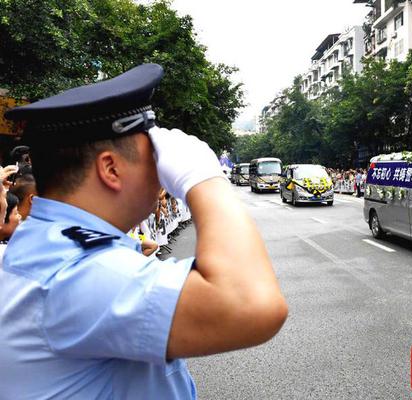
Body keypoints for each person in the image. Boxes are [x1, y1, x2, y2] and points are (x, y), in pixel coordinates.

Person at [0, 63, 288, 399]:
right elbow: (252, 303)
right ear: (111, 168)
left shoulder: (50, 245)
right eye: (153, 153)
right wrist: (204, 178)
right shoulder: (74, 271)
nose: (161, 166)